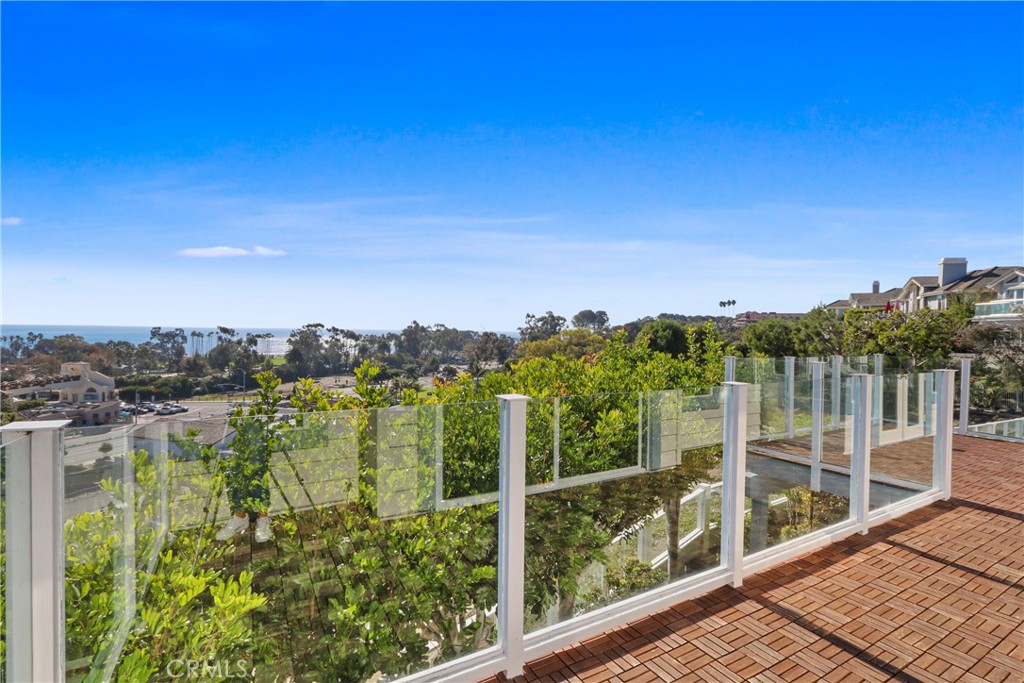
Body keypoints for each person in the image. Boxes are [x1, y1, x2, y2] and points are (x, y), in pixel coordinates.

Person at [216, 418, 273, 543]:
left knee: (260, 473)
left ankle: (263, 518)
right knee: (236, 473)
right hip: (239, 425)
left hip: (260, 424)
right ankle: (239, 517)